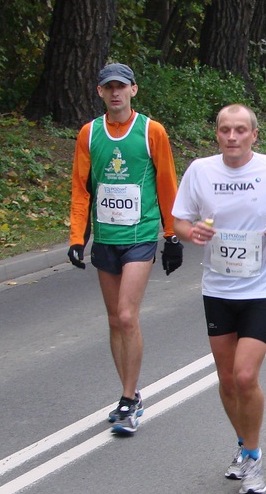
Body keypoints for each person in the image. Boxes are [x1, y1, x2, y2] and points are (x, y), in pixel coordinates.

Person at [172, 104, 266, 494]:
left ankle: (253, 457)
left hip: (261, 288)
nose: (232, 137)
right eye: (225, 130)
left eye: (240, 130)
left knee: (245, 376)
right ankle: (243, 444)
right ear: (217, 133)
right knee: (226, 379)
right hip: (217, 288)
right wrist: (191, 233)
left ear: (254, 134)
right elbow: (180, 220)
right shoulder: (200, 171)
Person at [68, 62, 183, 435]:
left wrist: (171, 234)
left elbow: (166, 183)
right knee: (114, 320)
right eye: (109, 87)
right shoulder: (89, 133)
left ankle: (129, 398)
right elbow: (81, 188)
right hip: (106, 238)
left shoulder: (151, 131)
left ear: (133, 90)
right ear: (100, 92)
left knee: (127, 315)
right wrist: (77, 237)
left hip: (140, 234)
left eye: (121, 86)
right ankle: (127, 393)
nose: (115, 93)